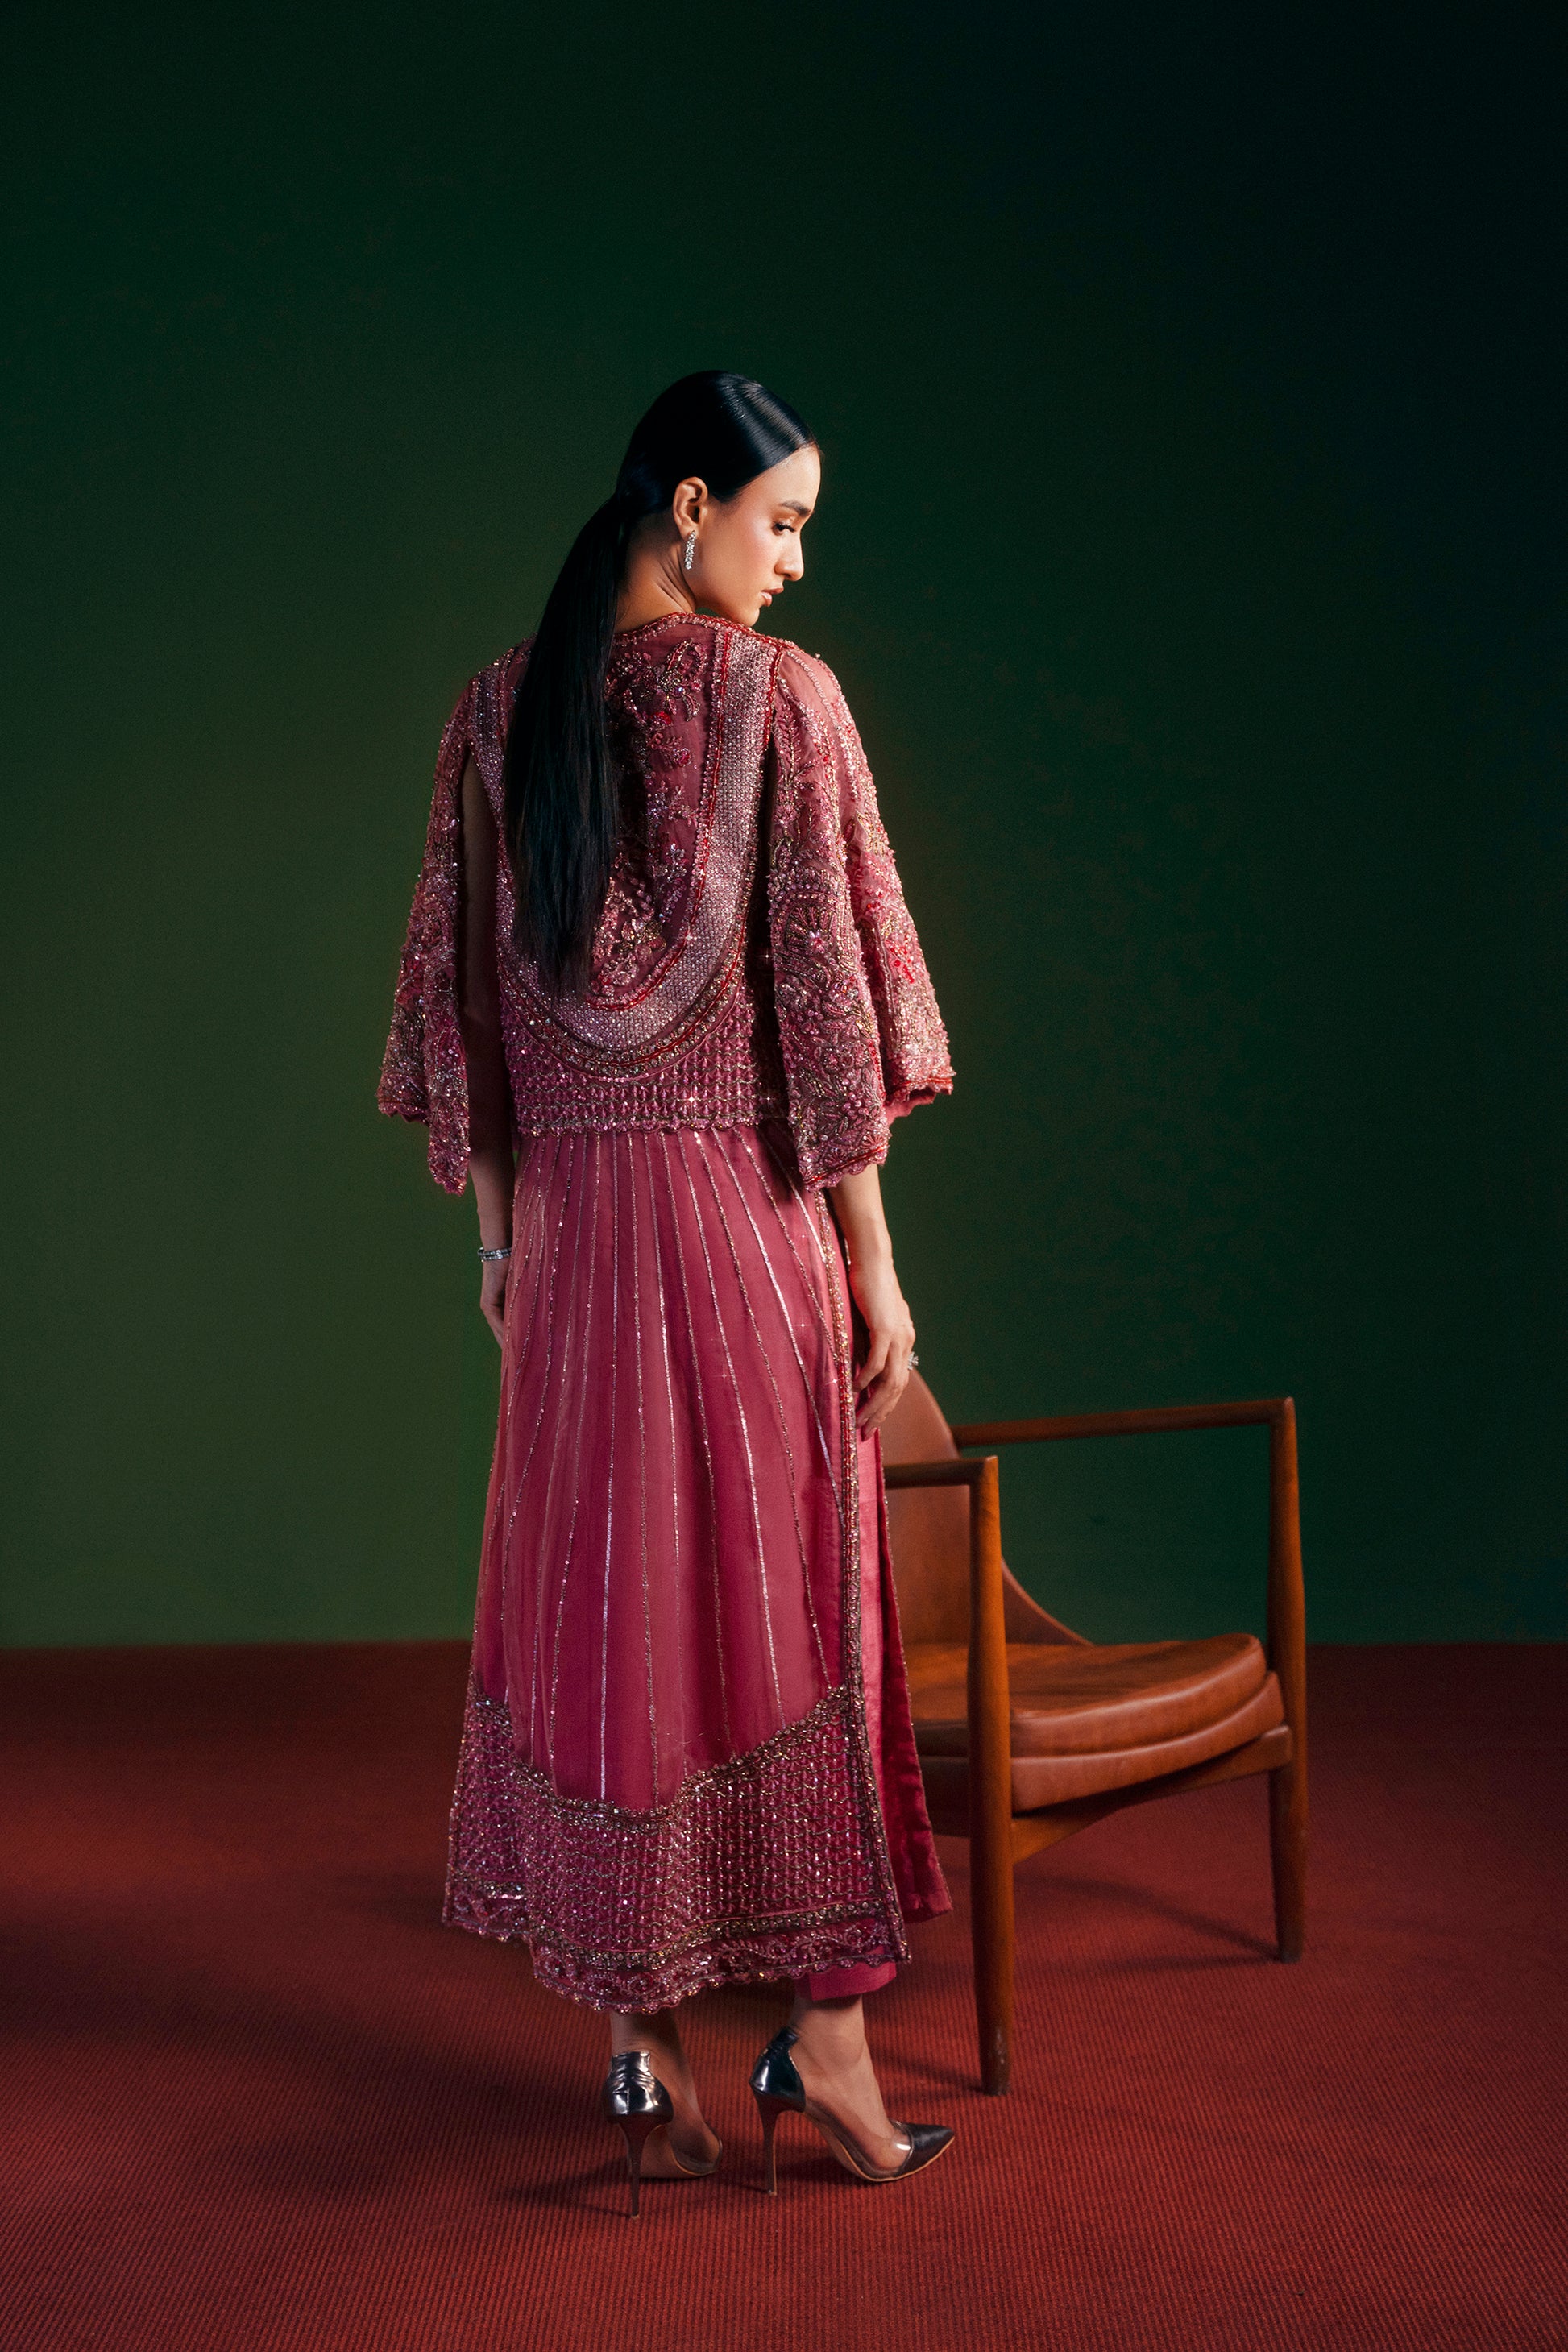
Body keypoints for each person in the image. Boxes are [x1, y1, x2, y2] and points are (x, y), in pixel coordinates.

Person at [380, 371, 956, 2212]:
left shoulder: (496, 712)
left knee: (606, 1619)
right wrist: (875, 1260)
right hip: (734, 1229)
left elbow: (464, 1019)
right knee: (794, 1608)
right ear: (690, 502)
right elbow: (831, 1003)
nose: (790, 565)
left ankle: (640, 2058)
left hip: (559, 1259)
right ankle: (829, 2044)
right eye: (779, 524)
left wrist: (495, 1239)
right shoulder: (786, 704)